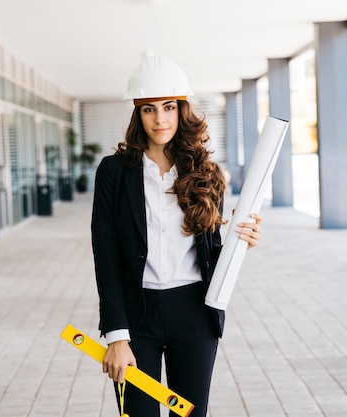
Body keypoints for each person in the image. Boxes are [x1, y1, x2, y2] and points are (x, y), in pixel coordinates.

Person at [91, 54, 262, 417]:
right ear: (137, 113)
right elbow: (105, 256)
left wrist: (239, 237)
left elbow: (211, 250)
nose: (160, 119)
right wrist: (117, 337)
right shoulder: (113, 173)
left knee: (190, 415)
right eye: (149, 109)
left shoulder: (206, 172)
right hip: (137, 317)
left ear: (182, 109)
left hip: (195, 313)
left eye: (169, 107)